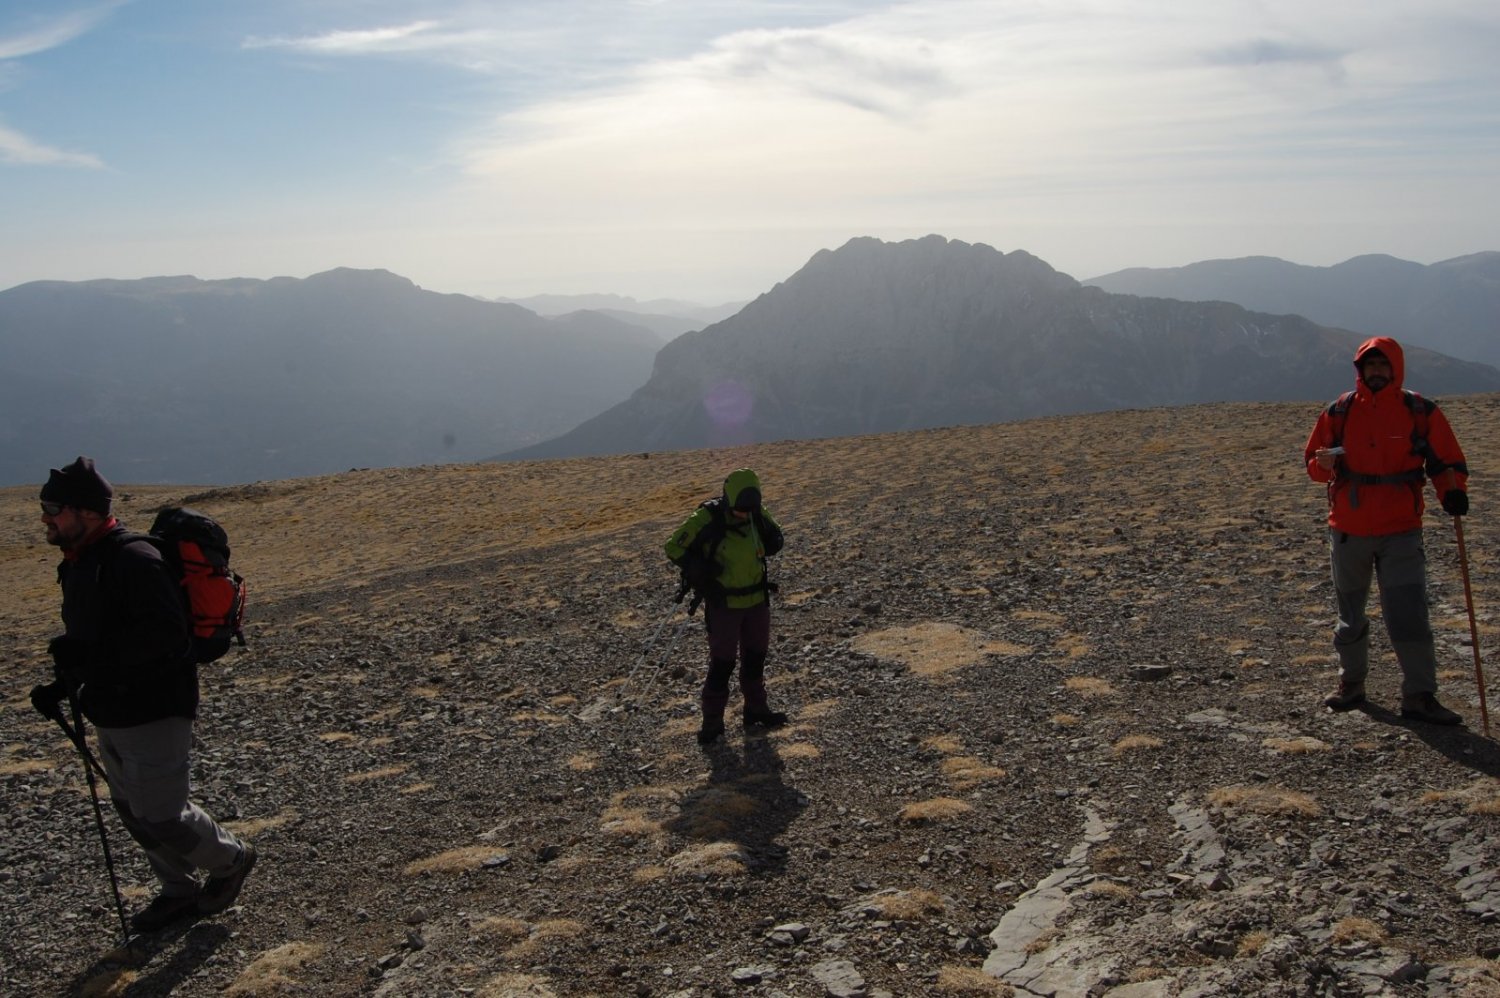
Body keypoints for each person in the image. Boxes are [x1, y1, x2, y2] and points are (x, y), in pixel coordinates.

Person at [28, 457, 257, 932]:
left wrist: (87, 662)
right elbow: (96, 642)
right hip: (111, 706)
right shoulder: (80, 562)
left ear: (87, 512)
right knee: (132, 808)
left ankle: (230, 859)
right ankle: (178, 891)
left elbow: (166, 643)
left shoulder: (134, 560)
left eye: (53, 508)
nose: (45, 517)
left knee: (160, 812)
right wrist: (63, 684)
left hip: (155, 708)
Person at [1304, 338, 1470, 724]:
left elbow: (1447, 462)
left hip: (1401, 530)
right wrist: (1323, 466)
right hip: (1348, 529)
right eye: (1369, 366)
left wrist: (1453, 494)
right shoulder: (1339, 412)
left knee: (1408, 614)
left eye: (1383, 366)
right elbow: (1313, 465)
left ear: (1395, 369)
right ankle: (1352, 684)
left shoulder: (1420, 411)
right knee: (1350, 615)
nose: (1376, 372)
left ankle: (1420, 694)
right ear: (1360, 371)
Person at [665, 468, 787, 744]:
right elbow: (673, 546)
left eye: (749, 511)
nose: (744, 515)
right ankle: (712, 722)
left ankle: (756, 709)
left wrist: (771, 537)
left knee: (755, 657)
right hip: (724, 603)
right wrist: (699, 568)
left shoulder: (757, 513)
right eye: (740, 511)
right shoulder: (707, 517)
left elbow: (777, 538)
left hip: (756, 599)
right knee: (722, 663)